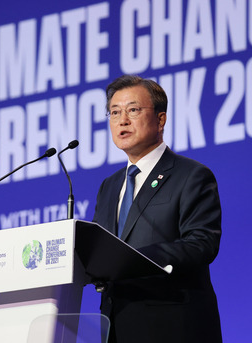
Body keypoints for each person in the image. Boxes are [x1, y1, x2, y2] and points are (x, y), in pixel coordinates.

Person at [92, 75, 222, 343]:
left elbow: (202, 243)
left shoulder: (191, 175)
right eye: (114, 112)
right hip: (116, 328)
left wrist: (131, 259)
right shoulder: (109, 186)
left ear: (161, 119)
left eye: (133, 110)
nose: (122, 120)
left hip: (173, 326)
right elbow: (101, 250)